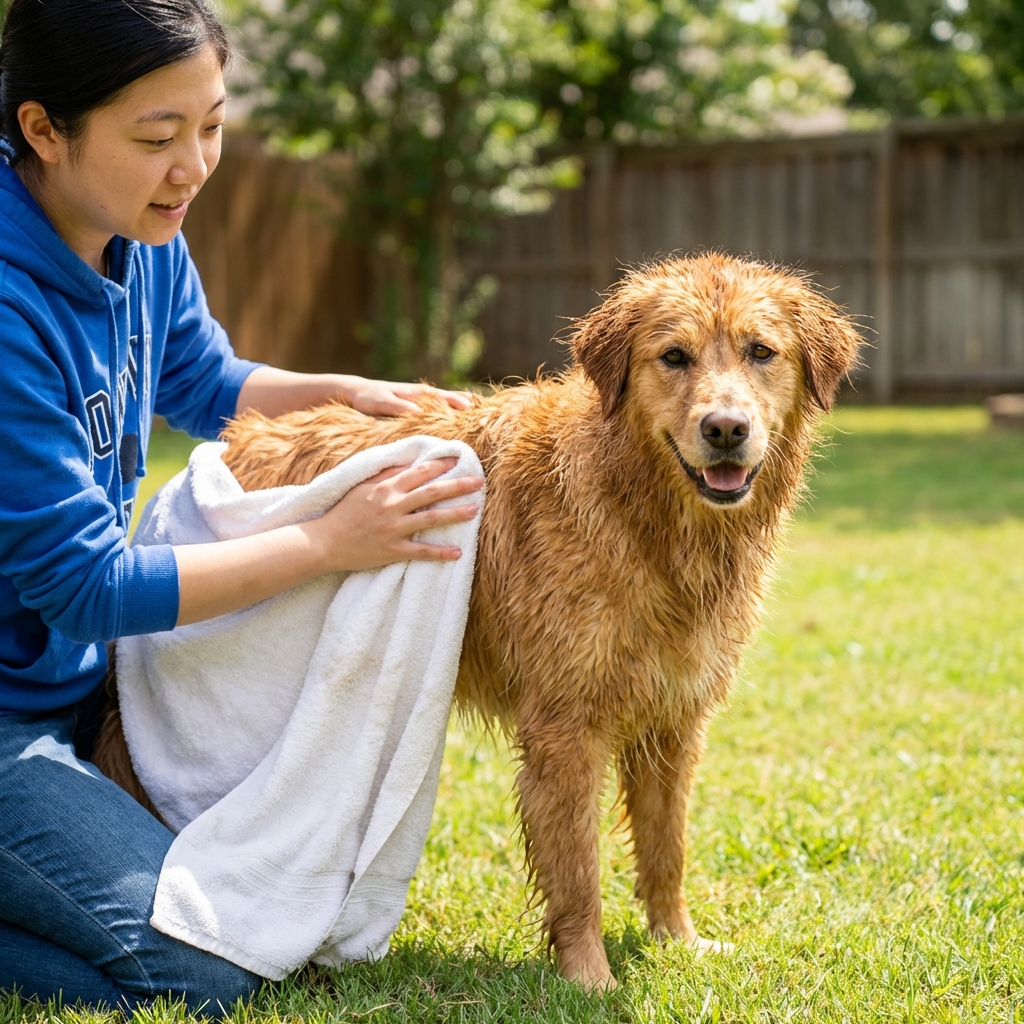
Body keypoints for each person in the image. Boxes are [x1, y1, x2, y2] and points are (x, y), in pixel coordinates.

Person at [0, 0, 483, 1011]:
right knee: (203, 966)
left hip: (79, 690)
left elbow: (204, 381)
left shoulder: (138, 228)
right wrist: (327, 541)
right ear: (43, 130)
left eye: (212, 125)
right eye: (157, 137)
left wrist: (344, 392)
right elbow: (85, 585)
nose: (194, 166)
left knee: (263, 905)